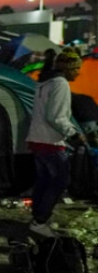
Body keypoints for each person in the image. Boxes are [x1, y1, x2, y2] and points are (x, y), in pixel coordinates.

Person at [27, 50, 88, 237]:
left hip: (37, 139)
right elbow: (56, 117)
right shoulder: (60, 84)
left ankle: (37, 218)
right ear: (68, 68)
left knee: (44, 181)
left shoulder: (45, 81)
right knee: (60, 182)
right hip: (50, 141)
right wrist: (75, 134)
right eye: (76, 68)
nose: (78, 72)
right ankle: (40, 221)